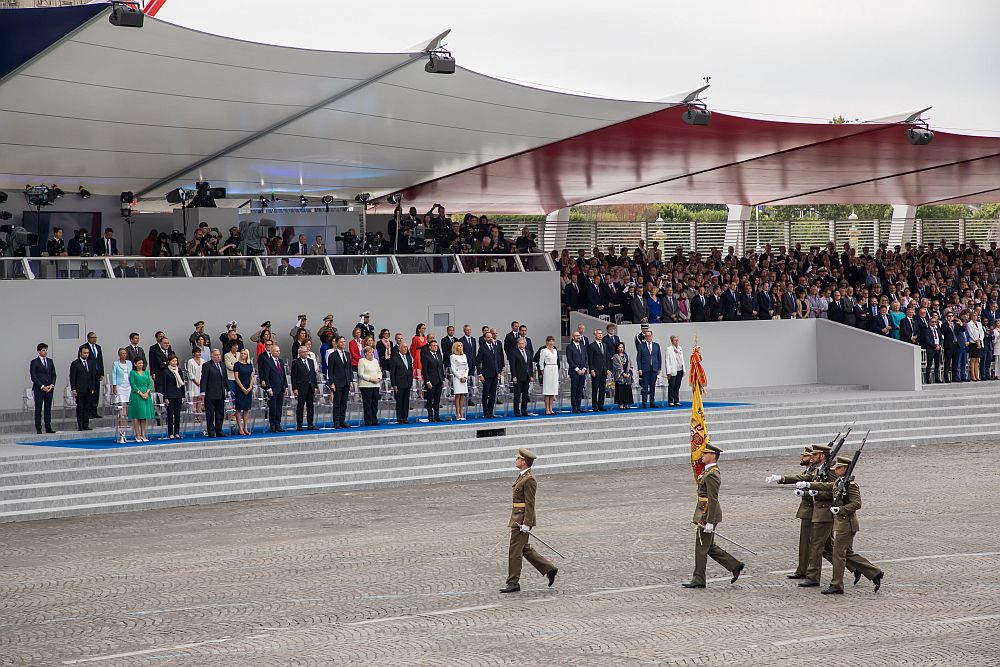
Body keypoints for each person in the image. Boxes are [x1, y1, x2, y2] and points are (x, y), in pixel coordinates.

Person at [802, 456, 884, 595]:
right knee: (846, 553)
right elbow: (827, 486)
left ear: (845, 469)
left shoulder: (851, 485)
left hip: (847, 524)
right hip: (840, 524)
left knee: (838, 554)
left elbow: (857, 503)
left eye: (839, 468)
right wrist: (809, 486)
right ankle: (874, 572)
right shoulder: (839, 482)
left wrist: (841, 510)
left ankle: (837, 584)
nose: (836, 470)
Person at [682, 443, 744, 588]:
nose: (702, 455)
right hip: (704, 512)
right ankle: (734, 565)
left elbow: (713, 499)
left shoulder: (712, 474)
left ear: (712, 456)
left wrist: (709, 522)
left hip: (708, 514)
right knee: (708, 546)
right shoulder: (708, 472)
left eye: (705, 453)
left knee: (701, 546)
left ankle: (698, 579)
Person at [499, 448, 558, 593]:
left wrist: (527, 523)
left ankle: (513, 582)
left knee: (514, 551)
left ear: (524, 461)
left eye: (518, 458)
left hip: (522, 520)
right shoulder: (522, 476)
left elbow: (530, 502)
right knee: (524, 549)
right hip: (517, 518)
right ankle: (549, 569)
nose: (516, 460)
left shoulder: (529, 479)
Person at [765, 447, 815, 580]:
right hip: (809, 511)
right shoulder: (810, 469)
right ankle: (802, 570)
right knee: (808, 544)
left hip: (815, 512)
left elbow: (801, 478)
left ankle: (857, 567)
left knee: (822, 546)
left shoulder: (815, 471)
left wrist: (781, 478)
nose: (801, 458)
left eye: (804, 456)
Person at [260, 344, 289, 432]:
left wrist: (286, 387)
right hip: (272, 388)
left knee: (279, 408)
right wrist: (268, 388)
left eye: (279, 351)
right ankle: (272, 426)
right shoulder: (268, 362)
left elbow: (283, 375)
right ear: (272, 352)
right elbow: (266, 376)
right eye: (276, 351)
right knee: (273, 408)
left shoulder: (280, 361)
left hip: (280, 388)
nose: (278, 352)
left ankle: (278, 424)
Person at [29, 343, 57, 434]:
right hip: (39, 389)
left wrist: (51, 385)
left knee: (48, 408)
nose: (45, 352)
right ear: (39, 351)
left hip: (49, 388)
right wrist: (42, 386)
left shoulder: (50, 361)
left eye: (46, 350)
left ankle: (48, 426)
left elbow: (53, 374)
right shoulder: (34, 362)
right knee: (38, 408)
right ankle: (38, 428)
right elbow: (33, 376)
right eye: (43, 350)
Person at [69, 344, 98, 431]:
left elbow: (93, 376)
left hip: (89, 388)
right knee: (80, 407)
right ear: (80, 353)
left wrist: (93, 387)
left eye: (87, 353)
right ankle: (80, 425)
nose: (86, 354)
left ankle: (86, 424)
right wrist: (73, 388)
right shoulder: (75, 363)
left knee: (87, 407)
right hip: (79, 389)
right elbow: (72, 377)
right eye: (84, 353)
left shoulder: (91, 363)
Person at [201, 348, 228, 438]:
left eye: (219, 355)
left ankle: (219, 429)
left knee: (220, 413)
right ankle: (211, 431)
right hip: (210, 393)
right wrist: (203, 391)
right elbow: (204, 379)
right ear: (212, 356)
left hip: (220, 393)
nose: (218, 357)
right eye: (216, 355)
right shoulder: (207, 365)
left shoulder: (222, 365)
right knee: (210, 413)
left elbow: (225, 378)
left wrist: (228, 390)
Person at [291, 344, 319, 431]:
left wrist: (315, 386)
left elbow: (313, 375)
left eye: (307, 351)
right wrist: (295, 388)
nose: (306, 353)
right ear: (300, 353)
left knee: (310, 406)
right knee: (301, 405)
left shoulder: (310, 361)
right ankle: (300, 424)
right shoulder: (296, 362)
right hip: (301, 387)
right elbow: (293, 376)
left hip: (310, 387)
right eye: (304, 352)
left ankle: (310, 423)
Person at [327, 336, 353, 428]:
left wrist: (350, 381)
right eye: (341, 342)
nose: (343, 343)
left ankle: (342, 420)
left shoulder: (347, 354)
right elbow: (330, 371)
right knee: (337, 403)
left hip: (346, 381)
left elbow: (349, 368)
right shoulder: (332, 355)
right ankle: (336, 421)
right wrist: (332, 383)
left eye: (344, 342)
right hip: (337, 382)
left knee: (344, 403)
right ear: (337, 343)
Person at [476, 331, 503, 418]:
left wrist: (498, 372)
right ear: (485, 339)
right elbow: (478, 362)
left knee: (493, 394)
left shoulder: (495, 347)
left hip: (495, 374)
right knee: (485, 394)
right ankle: (486, 412)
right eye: (488, 337)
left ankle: (491, 412)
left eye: (491, 337)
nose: (490, 338)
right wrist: (480, 374)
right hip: (486, 375)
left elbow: (497, 361)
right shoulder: (482, 348)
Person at [388, 342, 414, 424]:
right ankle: (399, 417)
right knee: (399, 401)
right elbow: (392, 373)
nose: (406, 349)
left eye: (406, 347)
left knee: (406, 401)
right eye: (404, 347)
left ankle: (405, 417)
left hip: (407, 382)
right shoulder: (395, 358)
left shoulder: (409, 358)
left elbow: (410, 370)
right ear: (400, 348)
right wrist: (394, 384)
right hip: (399, 383)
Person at [421, 339, 446, 422]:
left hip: (438, 380)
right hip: (431, 381)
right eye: (434, 346)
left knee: (437, 399)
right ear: (430, 347)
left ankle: (437, 415)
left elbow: (441, 368)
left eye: (436, 346)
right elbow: (424, 370)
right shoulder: (426, 356)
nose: (436, 347)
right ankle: (430, 416)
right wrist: (427, 381)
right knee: (430, 399)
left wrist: (442, 379)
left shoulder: (439, 355)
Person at [162, 354, 186, 439]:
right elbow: (164, 386)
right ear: (169, 362)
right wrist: (165, 397)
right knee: (170, 414)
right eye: (172, 361)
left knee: (177, 414)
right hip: (170, 395)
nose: (174, 363)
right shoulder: (166, 371)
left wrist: (183, 395)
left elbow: (182, 383)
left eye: (175, 361)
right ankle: (170, 433)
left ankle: (177, 432)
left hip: (178, 395)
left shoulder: (179, 370)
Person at [232, 348, 255, 435]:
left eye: (244, 354)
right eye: (241, 353)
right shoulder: (237, 365)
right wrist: (242, 388)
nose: (242, 355)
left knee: (246, 409)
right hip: (240, 388)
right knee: (239, 409)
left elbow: (252, 377)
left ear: (247, 355)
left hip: (248, 388)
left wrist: (250, 387)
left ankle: (245, 427)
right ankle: (240, 428)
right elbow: (236, 378)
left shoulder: (249, 365)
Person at [509, 336, 533, 417]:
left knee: (525, 395)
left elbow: (530, 364)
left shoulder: (528, 352)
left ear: (525, 344)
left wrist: (531, 375)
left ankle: (524, 410)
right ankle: (516, 411)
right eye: (520, 343)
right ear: (517, 344)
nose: (521, 345)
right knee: (517, 395)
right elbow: (512, 365)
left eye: (523, 343)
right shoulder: (514, 352)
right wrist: (514, 376)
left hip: (526, 376)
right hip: (518, 377)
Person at [637, 329, 661, 408]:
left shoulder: (656, 345)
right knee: (645, 386)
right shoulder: (641, 345)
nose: (648, 337)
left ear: (652, 336)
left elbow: (659, 357)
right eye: (646, 336)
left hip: (654, 368)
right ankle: (644, 403)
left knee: (653, 386)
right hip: (645, 369)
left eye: (649, 336)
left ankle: (652, 402)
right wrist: (639, 368)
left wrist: (659, 368)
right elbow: (638, 358)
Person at [357, 346, 382, 426]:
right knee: (368, 404)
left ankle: (374, 419)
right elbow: (361, 374)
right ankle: (368, 421)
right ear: (365, 353)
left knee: (375, 404)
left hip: (376, 385)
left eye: (372, 352)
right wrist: (371, 379)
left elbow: (379, 371)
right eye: (370, 352)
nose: (372, 354)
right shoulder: (362, 361)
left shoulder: (375, 361)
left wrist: (378, 378)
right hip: (366, 385)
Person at [565, 331, 588, 413]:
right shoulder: (569, 347)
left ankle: (579, 407)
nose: (578, 337)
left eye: (579, 336)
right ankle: (574, 407)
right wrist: (577, 369)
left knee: (580, 390)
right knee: (574, 389)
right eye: (576, 336)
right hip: (574, 372)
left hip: (583, 372)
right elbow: (570, 360)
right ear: (573, 337)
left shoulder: (583, 346)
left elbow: (586, 358)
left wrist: (584, 369)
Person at [84, 331, 105, 419]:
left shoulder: (98, 347)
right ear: (88, 338)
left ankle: (94, 411)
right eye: (92, 337)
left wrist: (101, 372)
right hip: (89, 373)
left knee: (96, 393)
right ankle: (88, 412)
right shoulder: (84, 347)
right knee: (89, 393)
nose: (94, 339)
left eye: (95, 337)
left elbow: (100, 360)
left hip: (97, 372)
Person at [587, 329, 609, 412]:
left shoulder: (604, 345)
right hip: (596, 370)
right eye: (598, 334)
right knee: (595, 388)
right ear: (595, 335)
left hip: (603, 370)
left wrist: (607, 368)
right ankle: (594, 405)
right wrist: (591, 369)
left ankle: (601, 405)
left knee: (602, 389)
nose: (600, 335)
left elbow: (606, 358)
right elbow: (590, 359)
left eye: (601, 333)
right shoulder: (592, 346)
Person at [538, 336, 559, 415]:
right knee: (547, 390)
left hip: (554, 369)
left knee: (553, 390)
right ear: (547, 342)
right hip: (548, 369)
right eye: (550, 341)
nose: (551, 343)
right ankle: (547, 409)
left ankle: (551, 408)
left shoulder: (555, 350)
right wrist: (542, 370)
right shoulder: (544, 350)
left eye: (553, 341)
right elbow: (541, 362)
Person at [611, 341, 634, 409]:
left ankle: (626, 403)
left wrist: (629, 373)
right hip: (620, 376)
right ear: (617, 348)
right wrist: (623, 373)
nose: (621, 348)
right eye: (620, 347)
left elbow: (630, 365)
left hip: (627, 376)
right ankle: (620, 404)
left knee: (627, 389)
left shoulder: (627, 355)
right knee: (620, 390)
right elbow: (616, 366)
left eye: (622, 347)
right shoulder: (615, 356)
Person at [450, 341, 469, 421]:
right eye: (459, 346)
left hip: (464, 376)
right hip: (457, 377)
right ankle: (457, 413)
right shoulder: (453, 356)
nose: (461, 347)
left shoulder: (464, 356)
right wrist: (460, 377)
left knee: (462, 395)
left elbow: (467, 367)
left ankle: (462, 412)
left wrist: (465, 376)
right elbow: (453, 368)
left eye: (461, 345)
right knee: (457, 395)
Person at [665, 335, 685, 407]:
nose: (676, 342)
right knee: (672, 386)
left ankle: (676, 400)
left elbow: (682, 359)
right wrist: (668, 371)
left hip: (680, 369)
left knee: (677, 386)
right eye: (675, 340)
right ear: (672, 341)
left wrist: (683, 369)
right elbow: (667, 360)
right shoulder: (669, 349)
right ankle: (670, 401)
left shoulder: (680, 348)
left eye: (677, 340)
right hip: (673, 370)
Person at [186, 347, 204, 426]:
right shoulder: (190, 361)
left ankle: (199, 415)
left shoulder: (203, 361)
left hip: (201, 382)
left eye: (199, 352)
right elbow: (189, 373)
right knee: (194, 399)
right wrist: (196, 382)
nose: (199, 354)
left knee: (200, 399)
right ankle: (194, 416)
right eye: (197, 352)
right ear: (194, 353)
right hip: (193, 382)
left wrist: (202, 381)